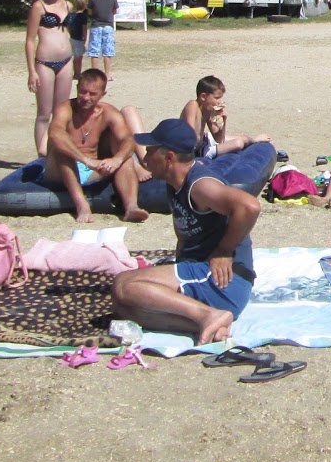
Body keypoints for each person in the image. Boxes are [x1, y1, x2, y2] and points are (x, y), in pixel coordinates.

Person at [110, 118, 261, 346]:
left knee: (123, 285)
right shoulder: (174, 182)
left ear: (169, 157)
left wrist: (224, 250)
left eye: (151, 152)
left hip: (225, 280)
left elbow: (249, 206)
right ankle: (211, 322)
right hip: (205, 276)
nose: (146, 158)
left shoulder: (198, 185)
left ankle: (208, 315)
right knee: (126, 307)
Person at [41, 69, 150, 224]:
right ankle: (82, 205)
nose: (86, 98)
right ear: (77, 89)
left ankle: (131, 207)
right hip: (61, 170)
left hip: (93, 170)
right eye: (82, 92)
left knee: (122, 150)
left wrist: (117, 160)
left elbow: (128, 139)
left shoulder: (108, 112)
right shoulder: (65, 108)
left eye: (92, 94)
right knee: (61, 146)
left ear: (102, 94)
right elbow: (55, 133)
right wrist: (85, 160)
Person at [26, 0, 75, 157]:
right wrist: (32, 71)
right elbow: (30, 40)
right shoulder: (39, 7)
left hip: (66, 62)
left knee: (61, 113)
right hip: (44, 63)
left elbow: (74, 35)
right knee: (44, 113)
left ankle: (57, 153)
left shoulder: (69, 6)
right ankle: (42, 154)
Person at [180, 75, 271, 158]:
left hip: (204, 141)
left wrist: (223, 121)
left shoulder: (208, 110)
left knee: (242, 138)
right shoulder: (192, 105)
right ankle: (253, 142)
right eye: (216, 98)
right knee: (238, 143)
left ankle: (254, 140)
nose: (220, 101)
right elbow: (189, 135)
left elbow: (219, 139)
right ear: (203, 96)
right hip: (198, 151)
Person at [87, 0, 118, 80]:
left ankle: (94, 74)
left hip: (96, 25)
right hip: (108, 26)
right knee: (107, 51)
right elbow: (114, 11)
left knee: (94, 51)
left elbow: (90, 12)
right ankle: (107, 73)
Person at [66, 0, 90, 81]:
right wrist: (85, 38)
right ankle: (78, 74)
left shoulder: (71, 15)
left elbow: (67, 26)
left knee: (75, 57)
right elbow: (84, 29)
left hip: (72, 38)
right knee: (79, 58)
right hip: (79, 39)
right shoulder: (83, 16)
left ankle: (75, 72)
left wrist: (70, 33)